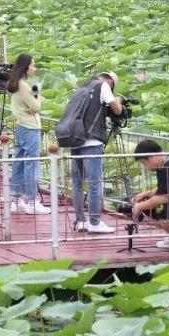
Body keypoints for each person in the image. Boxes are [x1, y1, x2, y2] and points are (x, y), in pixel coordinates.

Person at [64, 71, 123, 234]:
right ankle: (95, 222)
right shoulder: (103, 86)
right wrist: (118, 101)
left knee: (77, 182)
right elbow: (117, 110)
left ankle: (81, 221)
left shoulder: (82, 87)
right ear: (110, 81)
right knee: (94, 183)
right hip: (92, 141)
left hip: (75, 140)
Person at [7, 53, 49, 215]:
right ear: (25, 67)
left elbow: (31, 106)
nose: (35, 67)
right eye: (33, 65)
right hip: (30, 127)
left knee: (19, 162)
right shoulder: (24, 85)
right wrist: (37, 91)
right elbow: (37, 106)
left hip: (21, 126)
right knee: (32, 163)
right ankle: (31, 201)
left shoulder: (17, 83)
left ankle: (15, 200)